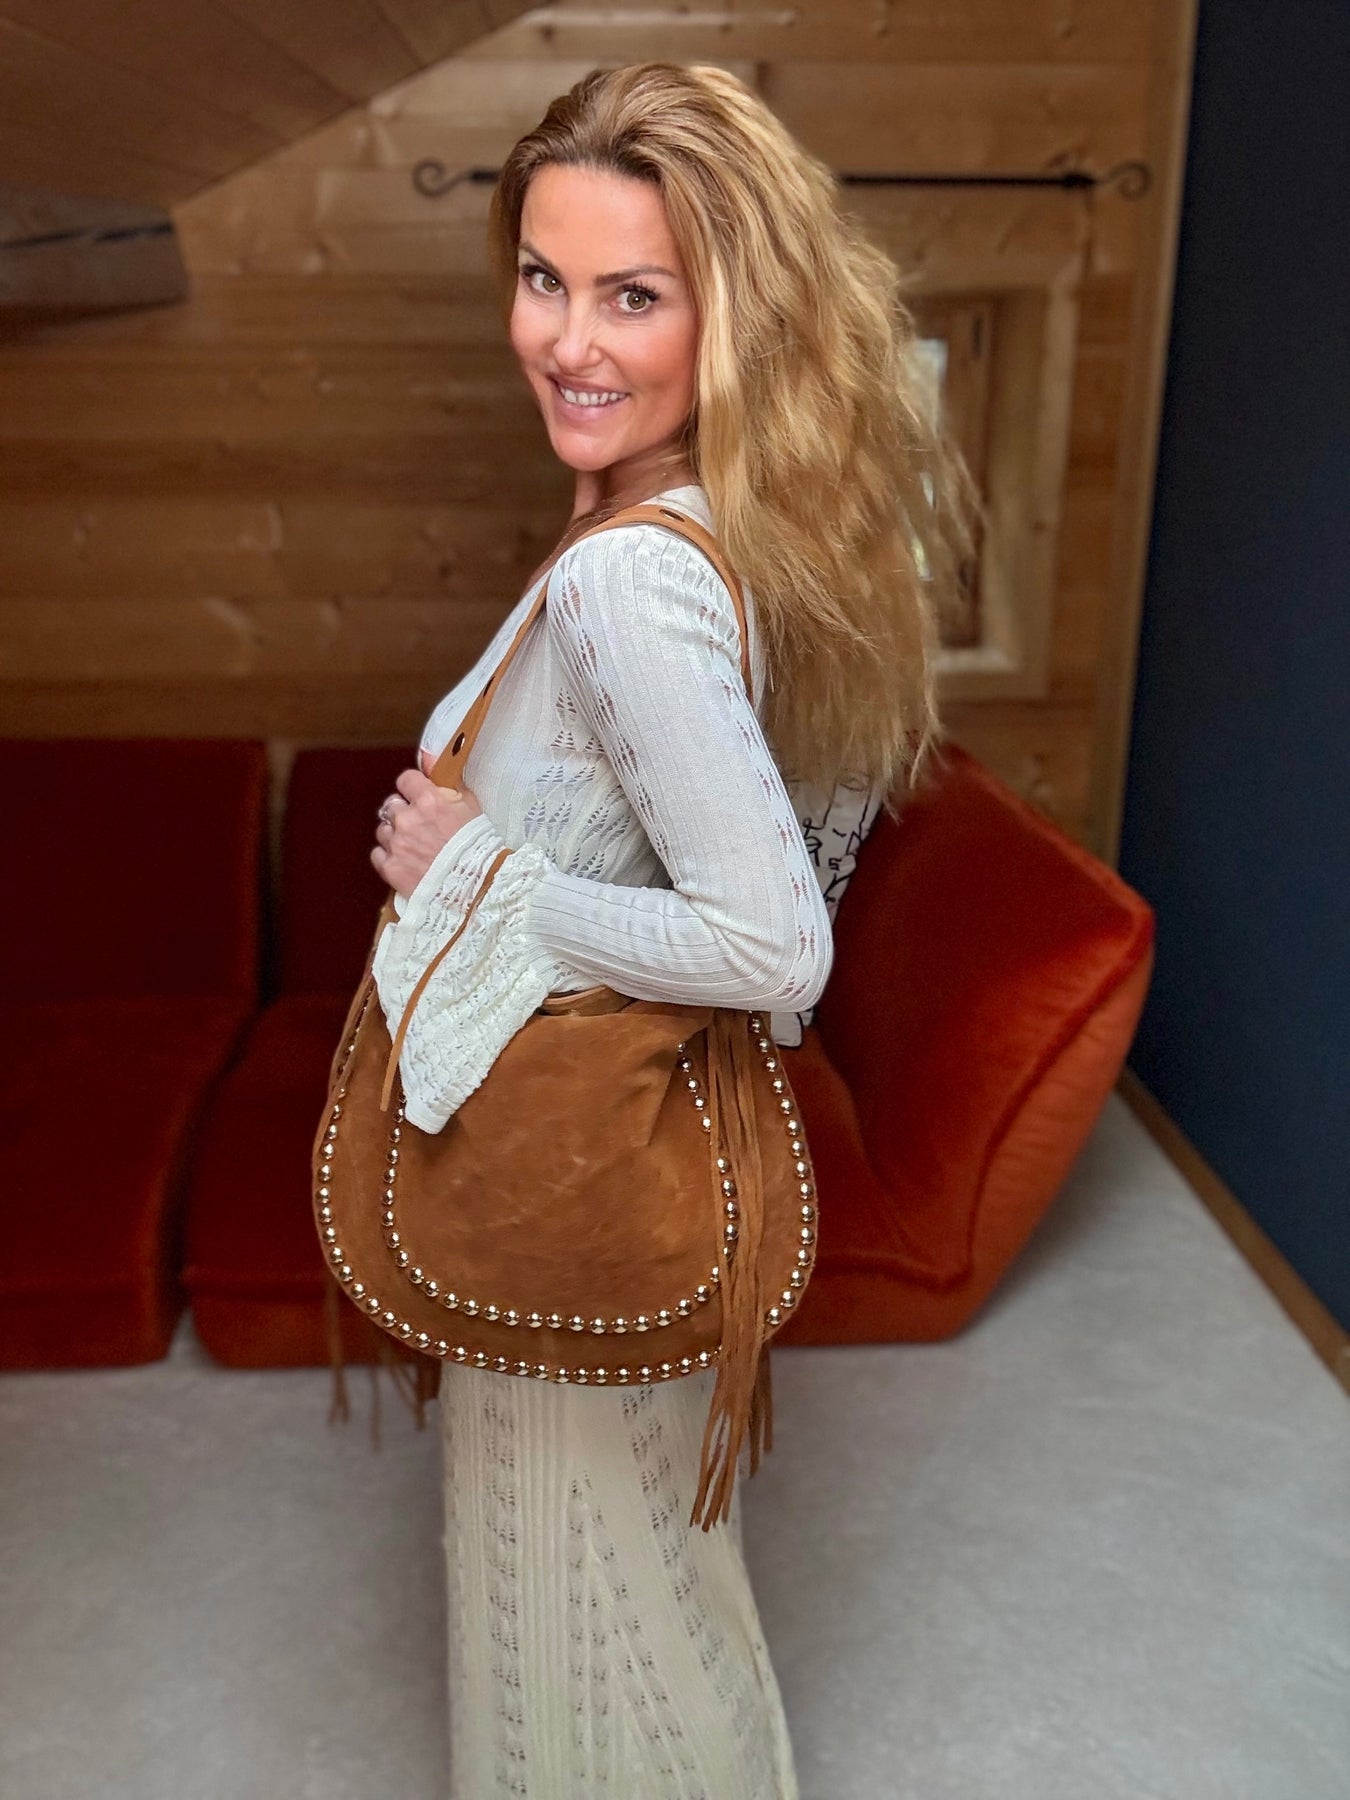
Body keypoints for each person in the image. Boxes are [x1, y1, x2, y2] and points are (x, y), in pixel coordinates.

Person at [365, 60, 972, 1800]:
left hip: (566, 1179)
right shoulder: (690, 521)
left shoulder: (634, 575)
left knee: (578, 1618)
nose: (568, 341)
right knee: (632, 1594)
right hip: (602, 1162)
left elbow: (774, 950)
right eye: (541, 278)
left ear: (732, 316)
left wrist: (474, 876)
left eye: (632, 295)